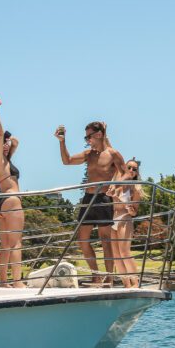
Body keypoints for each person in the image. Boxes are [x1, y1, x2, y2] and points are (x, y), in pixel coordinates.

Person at [55, 121, 126, 284]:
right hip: (88, 199)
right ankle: (96, 274)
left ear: (99, 135)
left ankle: (109, 276)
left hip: (103, 199)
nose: (87, 140)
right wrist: (62, 141)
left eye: (89, 136)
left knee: (106, 240)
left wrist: (116, 186)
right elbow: (67, 160)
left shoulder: (113, 154)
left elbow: (125, 173)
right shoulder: (89, 154)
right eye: (85, 137)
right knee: (82, 239)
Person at [0, 93, 25, 287]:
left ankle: (4, 282)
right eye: (2, 142)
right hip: (11, 199)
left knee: (5, 245)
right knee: (16, 242)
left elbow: (16, 141)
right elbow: (1, 133)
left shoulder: (5, 160)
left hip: (3, 202)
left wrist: (9, 142)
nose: (6, 144)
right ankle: (17, 282)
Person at [108, 159, 143, 288]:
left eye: (135, 169)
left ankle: (135, 283)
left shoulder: (136, 190)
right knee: (116, 256)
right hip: (114, 220)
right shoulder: (118, 184)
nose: (131, 171)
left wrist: (130, 209)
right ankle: (126, 285)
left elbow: (134, 213)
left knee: (124, 253)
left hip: (125, 220)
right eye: (129, 168)